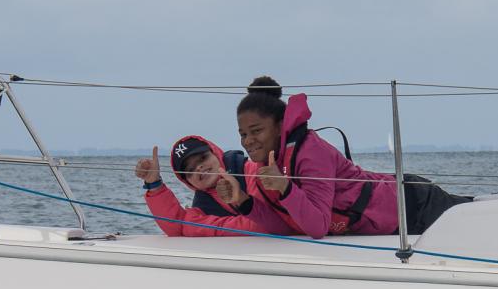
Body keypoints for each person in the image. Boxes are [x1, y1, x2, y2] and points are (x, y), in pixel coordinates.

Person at [212, 77, 471, 239]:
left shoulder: (310, 151)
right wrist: (242, 201)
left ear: (280, 127)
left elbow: (318, 227)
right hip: (392, 224)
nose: (248, 141)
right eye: (243, 134)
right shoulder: (265, 170)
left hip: (412, 203)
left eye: (256, 131)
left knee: (479, 216)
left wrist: (285, 187)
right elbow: (285, 227)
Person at [134, 135, 264, 236]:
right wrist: (154, 185)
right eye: (190, 170)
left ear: (215, 153)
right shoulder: (202, 207)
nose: (199, 167)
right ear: (188, 182)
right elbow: (178, 228)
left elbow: (266, 221)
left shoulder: (251, 171)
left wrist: (200, 227)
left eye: (203, 158)